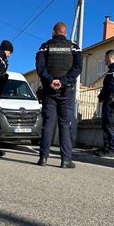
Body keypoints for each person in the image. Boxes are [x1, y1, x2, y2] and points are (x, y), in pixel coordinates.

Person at [35, 22, 83, 168]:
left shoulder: (45, 46)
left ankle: (43, 158)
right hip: (66, 91)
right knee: (64, 125)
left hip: (49, 91)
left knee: (48, 124)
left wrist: (50, 80)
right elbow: (78, 68)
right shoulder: (74, 47)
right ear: (65, 33)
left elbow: (40, 67)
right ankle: (65, 160)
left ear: (53, 32)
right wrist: (62, 81)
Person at [95, 50, 114, 158]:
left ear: (110, 57)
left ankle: (112, 150)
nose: (104, 60)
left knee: (111, 125)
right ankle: (107, 149)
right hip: (109, 101)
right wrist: (101, 96)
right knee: (107, 125)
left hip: (111, 102)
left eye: (105, 58)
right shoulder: (113, 69)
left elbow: (112, 87)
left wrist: (103, 95)